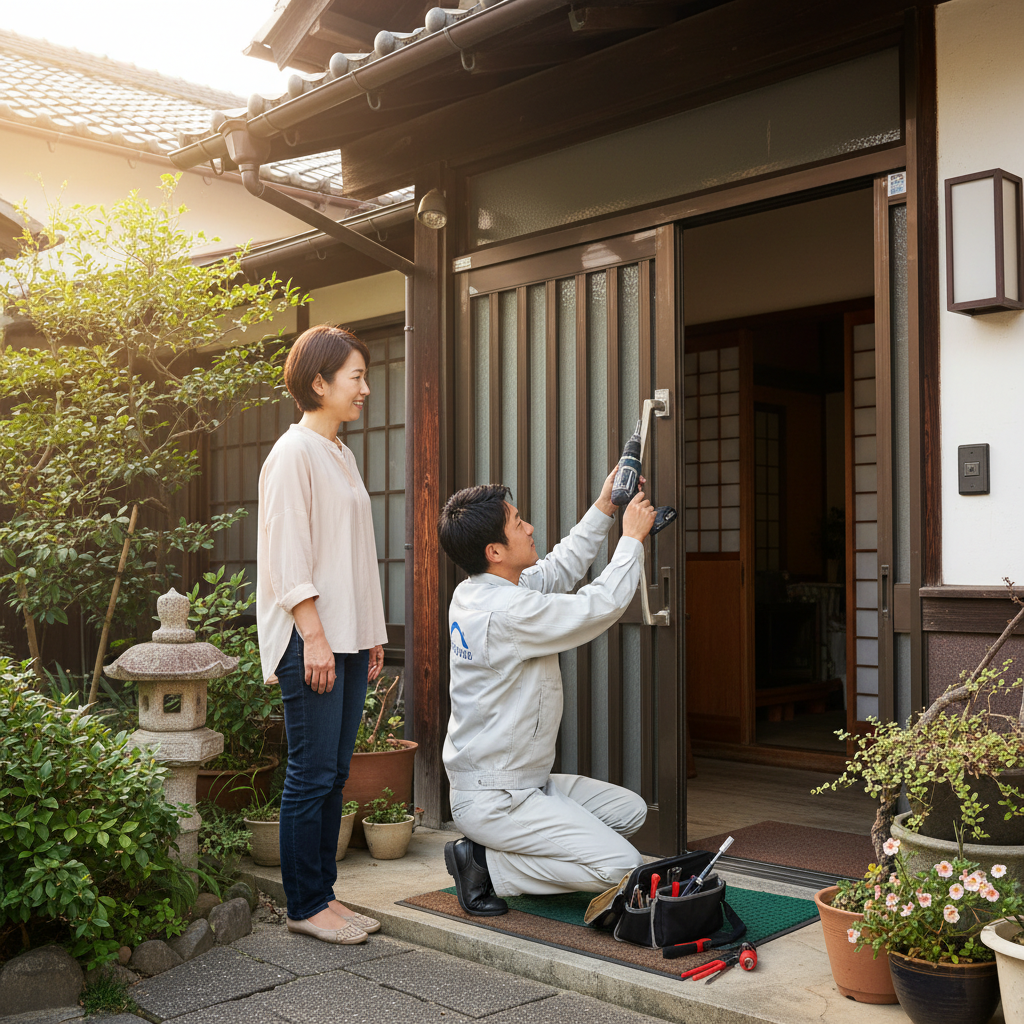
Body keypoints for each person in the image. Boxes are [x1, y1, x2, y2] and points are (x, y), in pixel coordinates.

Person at [436, 472, 657, 916]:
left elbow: (559, 568)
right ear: (494, 551)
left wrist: (605, 508)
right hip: (497, 795)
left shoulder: (478, 590)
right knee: (624, 868)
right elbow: (599, 606)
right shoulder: (504, 612)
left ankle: (506, 853)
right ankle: (485, 865)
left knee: (630, 812)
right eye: (518, 523)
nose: (530, 527)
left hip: (526, 782)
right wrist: (631, 540)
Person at [256, 323, 388, 944]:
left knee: (335, 772)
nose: (365, 388)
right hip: (310, 638)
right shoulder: (293, 453)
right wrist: (312, 634)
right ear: (319, 382)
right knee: (310, 772)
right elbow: (289, 555)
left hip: (347, 636)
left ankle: (323, 897)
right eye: (356, 377)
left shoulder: (340, 453)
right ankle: (305, 905)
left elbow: (352, 554)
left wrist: (370, 631)